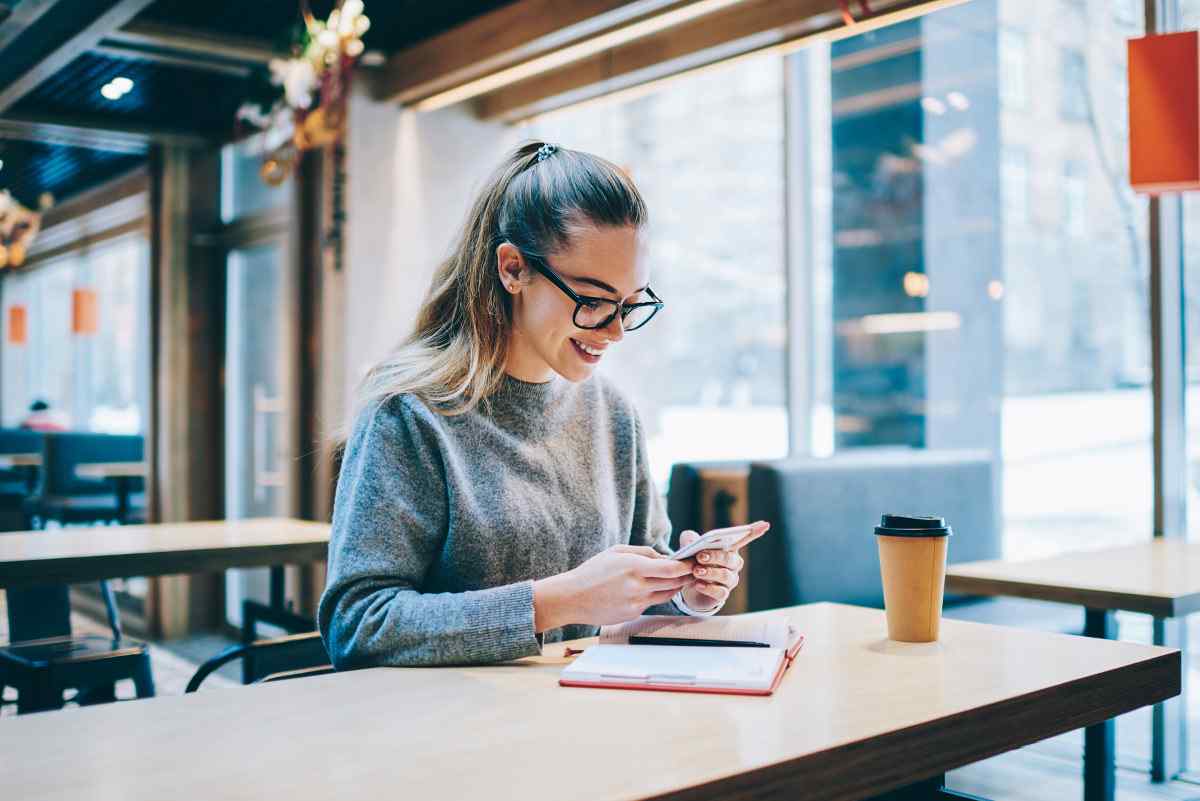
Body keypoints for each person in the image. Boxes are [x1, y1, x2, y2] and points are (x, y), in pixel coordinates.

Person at [318, 142, 768, 669]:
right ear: (512, 269)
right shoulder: (410, 414)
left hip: (579, 721)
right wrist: (558, 602)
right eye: (593, 300)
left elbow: (634, 590)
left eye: (630, 304)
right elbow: (358, 624)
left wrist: (687, 592)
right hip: (446, 735)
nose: (616, 331)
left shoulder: (613, 414)